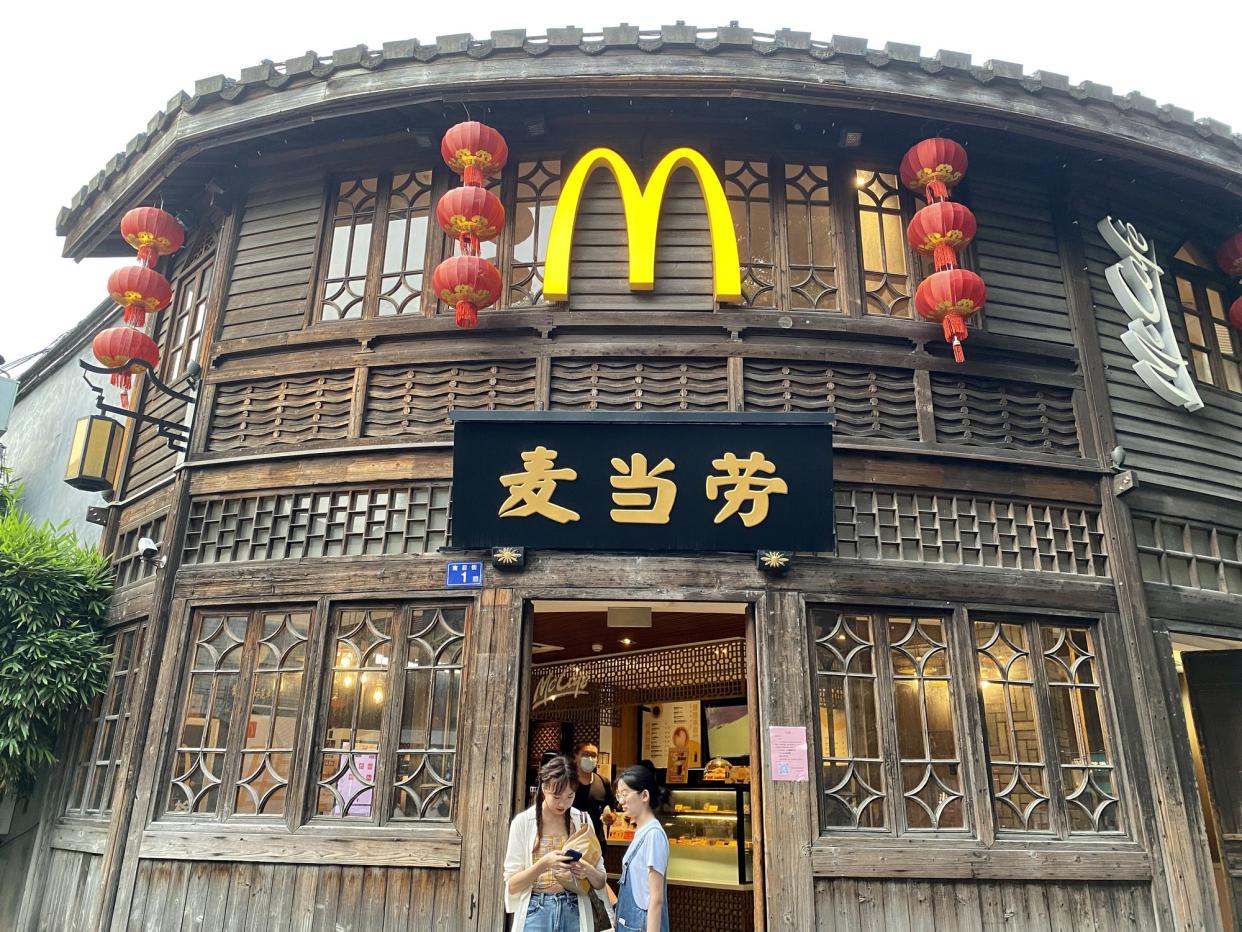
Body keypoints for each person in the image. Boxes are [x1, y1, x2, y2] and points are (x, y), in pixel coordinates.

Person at [505, 755, 608, 932]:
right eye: (556, 796)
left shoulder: (582, 821)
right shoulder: (523, 823)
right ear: (544, 787)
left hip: (574, 909)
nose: (563, 803)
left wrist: (586, 869)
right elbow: (512, 885)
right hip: (536, 910)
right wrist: (544, 863)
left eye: (570, 796)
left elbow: (600, 881)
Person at [613, 765, 670, 932]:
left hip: (641, 924)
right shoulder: (641, 831)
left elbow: (656, 898)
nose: (620, 801)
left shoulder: (653, 835)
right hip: (629, 922)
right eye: (618, 795)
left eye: (625, 794)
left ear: (644, 795)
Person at [572, 742, 616, 847]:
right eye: (585, 755)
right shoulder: (567, 782)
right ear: (575, 757)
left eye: (593, 756)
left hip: (596, 844)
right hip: (571, 844)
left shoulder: (603, 782)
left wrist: (611, 817)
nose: (590, 759)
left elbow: (613, 810)